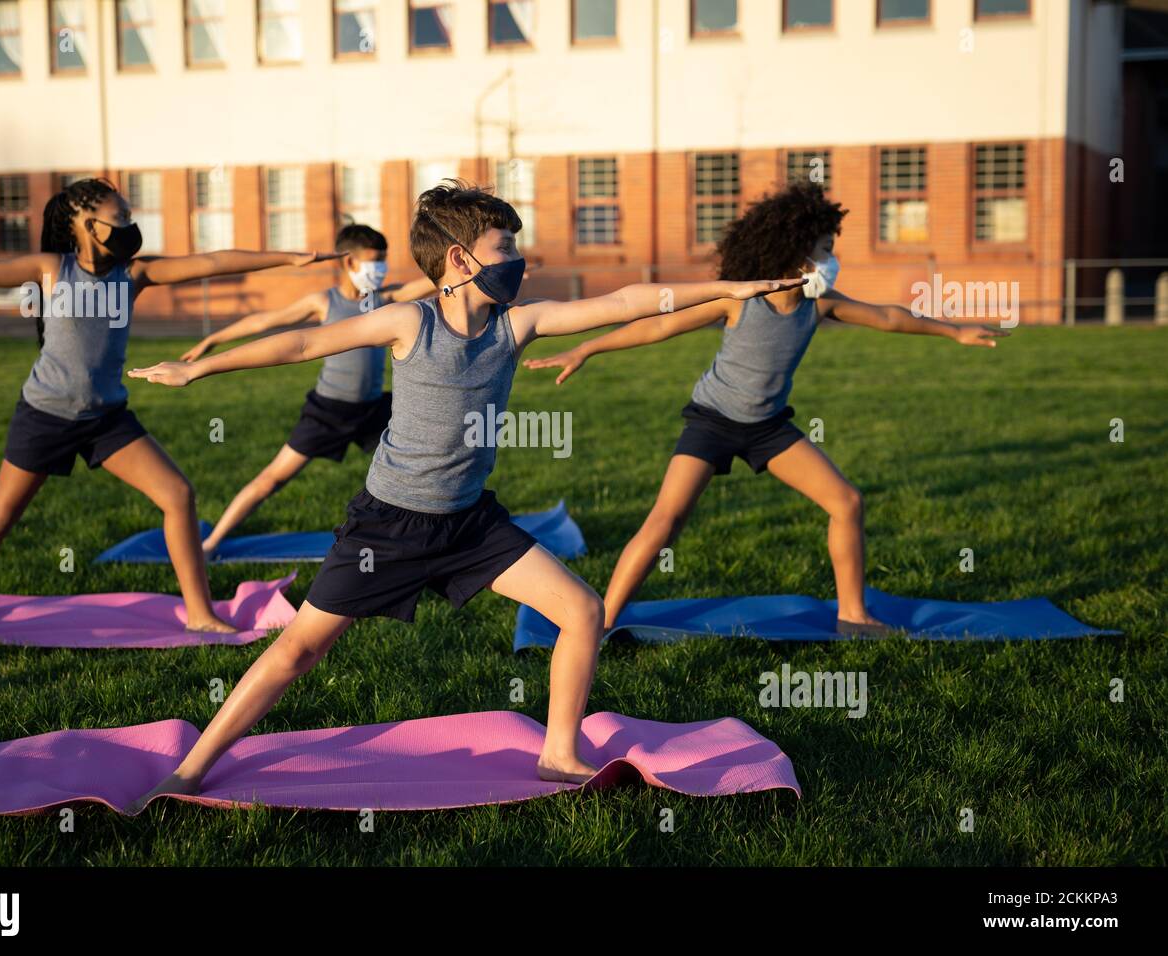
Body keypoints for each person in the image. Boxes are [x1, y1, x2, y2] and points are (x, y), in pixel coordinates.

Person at [123, 179, 800, 807]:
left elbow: (622, 302)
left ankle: (559, 753)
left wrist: (733, 288)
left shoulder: (516, 324)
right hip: (386, 527)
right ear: (460, 258)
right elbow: (302, 343)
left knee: (582, 611)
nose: (520, 259)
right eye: (506, 247)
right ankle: (191, 766)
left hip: (471, 525)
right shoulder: (409, 323)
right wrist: (199, 368)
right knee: (300, 649)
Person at [525, 182, 1009, 637]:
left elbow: (887, 317)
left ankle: (853, 615)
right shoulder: (740, 298)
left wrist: (953, 330)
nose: (832, 259)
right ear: (794, 251)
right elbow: (656, 327)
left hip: (769, 427)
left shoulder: (819, 305)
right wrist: (585, 349)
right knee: (665, 521)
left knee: (847, 502)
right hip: (712, 422)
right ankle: (603, 621)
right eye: (824, 248)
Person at [0, 178, 330, 631]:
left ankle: (201, 614)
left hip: (107, 418)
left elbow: (211, 261)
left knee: (177, 495)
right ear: (88, 224)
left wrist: (290, 257)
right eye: (121, 217)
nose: (130, 224)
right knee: (1, 514)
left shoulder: (134, 272)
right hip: (45, 415)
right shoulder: (53, 269)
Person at [178, 224, 436, 555]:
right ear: (349, 263)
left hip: (374, 409)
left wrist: (467, 269)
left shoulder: (384, 299)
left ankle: (427, 539)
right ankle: (211, 543)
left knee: (415, 472)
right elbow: (263, 321)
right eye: (374, 263)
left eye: (384, 262)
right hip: (328, 410)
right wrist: (212, 339)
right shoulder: (323, 302)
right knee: (273, 478)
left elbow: (428, 284)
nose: (381, 270)